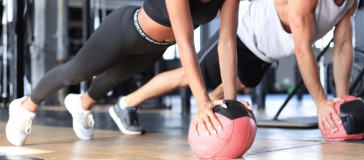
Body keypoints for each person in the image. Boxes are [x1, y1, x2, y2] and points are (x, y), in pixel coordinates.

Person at [6, 0, 243, 146]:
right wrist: (203, 102)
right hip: (124, 32)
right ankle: (26, 107)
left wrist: (231, 101)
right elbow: (186, 42)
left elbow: (227, 43)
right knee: (74, 73)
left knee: (115, 77)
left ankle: (81, 104)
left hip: (155, 47)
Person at [110, 0, 359, 136]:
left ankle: (214, 116)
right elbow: (303, 48)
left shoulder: (350, 1)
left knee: (236, 89)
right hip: (242, 36)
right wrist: (320, 102)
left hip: (267, 53)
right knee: (188, 75)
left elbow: (343, 44)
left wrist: (341, 99)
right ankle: (127, 103)